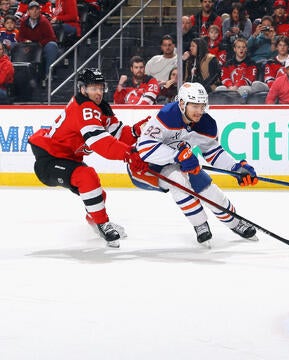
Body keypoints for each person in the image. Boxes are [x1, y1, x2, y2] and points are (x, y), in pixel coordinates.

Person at [28, 68, 148, 248]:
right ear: (83, 89)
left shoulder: (100, 108)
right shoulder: (85, 107)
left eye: (100, 87)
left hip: (68, 159)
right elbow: (101, 143)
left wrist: (134, 131)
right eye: (93, 88)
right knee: (87, 177)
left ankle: (94, 219)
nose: (98, 92)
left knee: (98, 194)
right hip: (50, 160)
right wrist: (127, 154)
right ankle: (102, 224)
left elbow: (117, 134)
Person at [129, 82, 259, 247]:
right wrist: (178, 156)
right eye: (195, 106)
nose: (199, 111)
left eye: (202, 106)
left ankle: (235, 223)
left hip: (179, 161)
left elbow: (213, 153)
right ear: (182, 104)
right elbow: (145, 148)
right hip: (145, 167)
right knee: (177, 180)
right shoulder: (167, 115)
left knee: (207, 187)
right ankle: (200, 224)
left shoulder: (206, 124)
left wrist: (235, 169)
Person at [16, 1, 59, 85]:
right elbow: (19, 37)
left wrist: (40, 43)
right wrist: (25, 41)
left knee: (52, 46)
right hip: (29, 45)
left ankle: (48, 74)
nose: (34, 12)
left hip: (41, 45)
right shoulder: (24, 21)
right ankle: (18, 75)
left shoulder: (44, 21)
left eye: (37, 9)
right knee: (15, 46)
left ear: (40, 11)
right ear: (28, 11)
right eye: (32, 9)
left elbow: (52, 37)